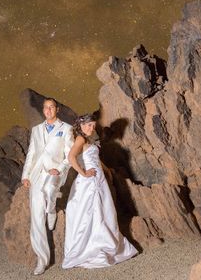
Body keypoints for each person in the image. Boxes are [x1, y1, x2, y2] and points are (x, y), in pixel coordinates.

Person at [62, 114, 138, 269]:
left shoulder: (89, 140)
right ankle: (94, 247)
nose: (92, 128)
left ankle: (106, 242)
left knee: (104, 211)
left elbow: (95, 158)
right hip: (90, 182)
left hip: (100, 180)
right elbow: (71, 157)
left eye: (93, 125)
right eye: (88, 125)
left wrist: (106, 169)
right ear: (81, 126)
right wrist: (83, 172)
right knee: (93, 212)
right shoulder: (80, 139)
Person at [21, 98, 74, 276]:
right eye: (46, 108)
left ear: (57, 109)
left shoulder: (66, 129)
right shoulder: (36, 130)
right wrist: (26, 175)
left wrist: (58, 169)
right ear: (43, 110)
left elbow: (70, 155)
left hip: (55, 173)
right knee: (36, 215)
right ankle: (41, 260)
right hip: (37, 174)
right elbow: (31, 154)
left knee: (50, 191)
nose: (49, 110)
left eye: (52, 107)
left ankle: (51, 210)